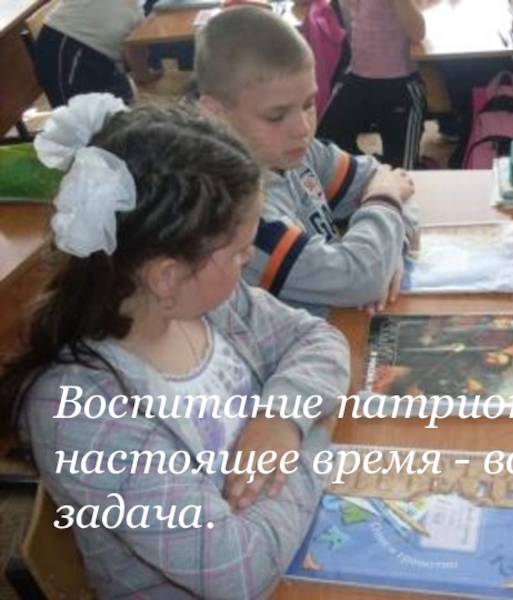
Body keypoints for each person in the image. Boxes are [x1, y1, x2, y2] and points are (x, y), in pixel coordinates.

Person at [0, 94, 349, 597]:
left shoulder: (205, 303)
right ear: (166, 275)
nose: (247, 263)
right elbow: (237, 572)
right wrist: (315, 433)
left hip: (291, 545)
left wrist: (282, 416)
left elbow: (319, 337)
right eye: (240, 253)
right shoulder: (82, 416)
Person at [196, 6, 417, 316]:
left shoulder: (300, 153)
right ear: (215, 113)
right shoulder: (240, 218)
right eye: (276, 116)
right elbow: (361, 275)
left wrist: (390, 255)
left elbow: (390, 179)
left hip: (342, 323)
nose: (302, 128)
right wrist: (383, 212)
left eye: (309, 104)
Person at [316, 0, 427, 170]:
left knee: (402, 170)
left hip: (399, 84)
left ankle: (384, 169)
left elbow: (418, 33)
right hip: (357, 76)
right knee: (324, 146)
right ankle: (368, 170)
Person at [34, 0, 160, 107]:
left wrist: (144, 75)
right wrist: (143, 74)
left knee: (124, 111)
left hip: (105, 60)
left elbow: (136, 42)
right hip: (67, 47)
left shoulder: (137, 7)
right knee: (80, 118)